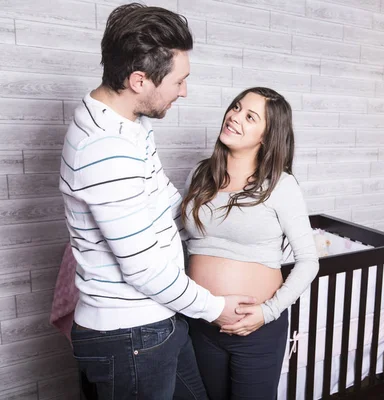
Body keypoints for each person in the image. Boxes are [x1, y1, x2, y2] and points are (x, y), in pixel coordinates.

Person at [59, 3, 255, 399]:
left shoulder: (129, 124)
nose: (184, 91)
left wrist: (223, 223)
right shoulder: (104, 149)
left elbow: (164, 198)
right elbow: (143, 268)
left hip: (156, 323)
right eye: (178, 81)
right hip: (129, 335)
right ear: (139, 80)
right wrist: (214, 307)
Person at [181, 87, 320, 399]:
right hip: (202, 321)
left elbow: (309, 260)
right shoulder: (200, 174)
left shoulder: (281, 186)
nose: (234, 116)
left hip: (256, 328)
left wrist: (268, 311)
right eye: (236, 107)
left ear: (267, 136)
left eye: (250, 116)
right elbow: (183, 238)